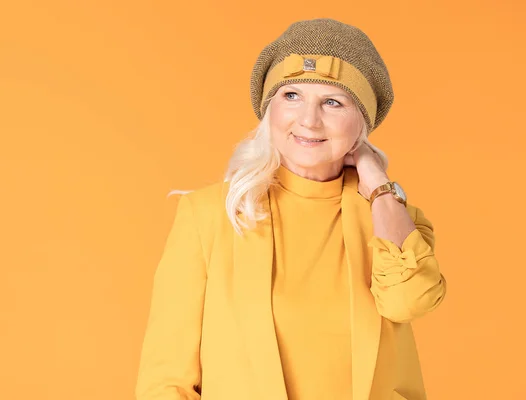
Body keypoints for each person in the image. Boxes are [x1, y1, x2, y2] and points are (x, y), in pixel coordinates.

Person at [135, 18, 447, 400]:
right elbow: (166, 381)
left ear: (362, 121)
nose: (308, 120)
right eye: (292, 95)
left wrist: (377, 183)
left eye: (333, 101)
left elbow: (408, 300)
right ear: (269, 110)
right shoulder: (208, 217)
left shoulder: (394, 219)